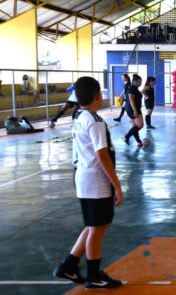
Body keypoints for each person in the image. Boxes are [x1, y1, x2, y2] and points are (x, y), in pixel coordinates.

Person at [52, 76, 123, 289]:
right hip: (95, 180)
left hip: (84, 178)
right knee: (98, 227)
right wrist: (117, 185)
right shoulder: (94, 120)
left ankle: (69, 265)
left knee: (97, 225)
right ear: (98, 95)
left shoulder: (80, 116)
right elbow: (102, 155)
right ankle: (94, 276)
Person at [122, 74, 144, 148]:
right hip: (133, 109)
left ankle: (139, 141)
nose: (140, 83)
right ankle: (126, 137)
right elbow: (131, 100)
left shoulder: (134, 88)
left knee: (134, 127)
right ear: (134, 82)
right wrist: (135, 110)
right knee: (140, 125)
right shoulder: (132, 88)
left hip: (131, 109)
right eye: (138, 82)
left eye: (140, 81)